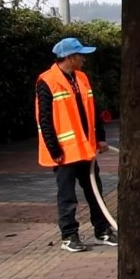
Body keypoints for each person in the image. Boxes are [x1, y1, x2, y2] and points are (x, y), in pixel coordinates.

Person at [36, 37, 117, 253]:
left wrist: (100, 137)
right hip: (64, 152)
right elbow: (44, 119)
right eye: (80, 55)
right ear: (70, 58)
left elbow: (94, 109)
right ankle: (69, 236)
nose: (83, 59)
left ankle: (103, 230)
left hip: (85, 147)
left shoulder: (81, 78)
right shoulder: (47, 81)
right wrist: (54, 150)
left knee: (95, 191)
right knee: (67, 195)